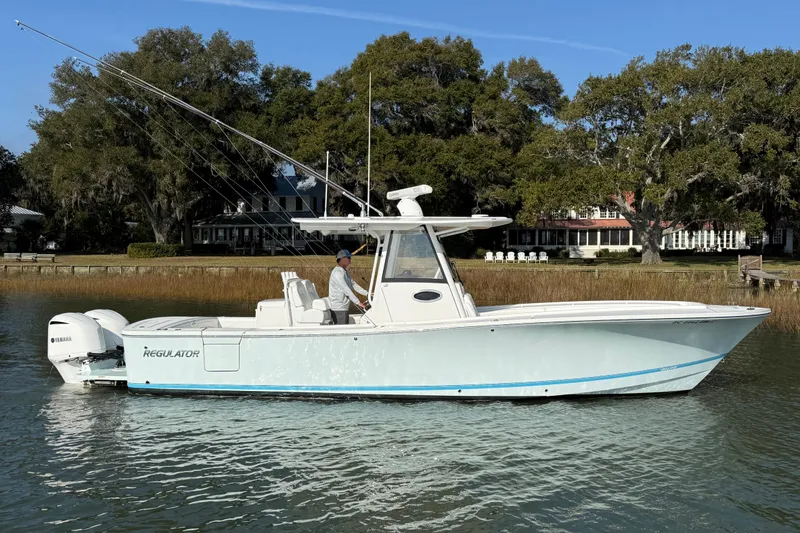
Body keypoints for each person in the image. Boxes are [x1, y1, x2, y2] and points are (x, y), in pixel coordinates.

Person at [328, 249, 369, 325]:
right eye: (349, 258)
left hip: (344, 307)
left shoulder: (345, 271)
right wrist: (358, 302)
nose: (350, 260)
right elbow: (345, 289)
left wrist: (367, 294)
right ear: (342, 259)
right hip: (338, 308)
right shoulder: (337, 273)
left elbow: (353, 284)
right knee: (341, 332)